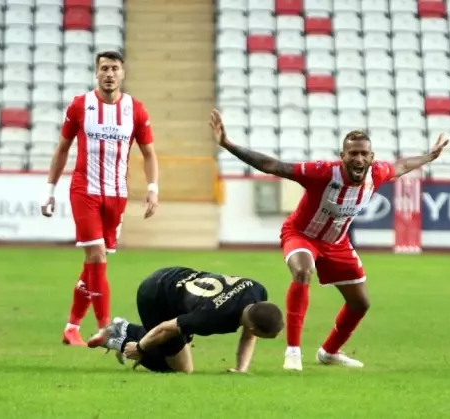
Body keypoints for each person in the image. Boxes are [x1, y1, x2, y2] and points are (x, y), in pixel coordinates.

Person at [210, 109, 449, 371]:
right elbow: (274, 166)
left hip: (337, 242)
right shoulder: (321, 172)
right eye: (352, 153)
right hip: (302, 234)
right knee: (302, 271)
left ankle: (329, 352)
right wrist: (228, 144)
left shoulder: (377, 174)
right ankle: (293, 352)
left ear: (372, 158)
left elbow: (402, 166)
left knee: (360, 303)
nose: (358, 158)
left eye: (363, 154)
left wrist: (429, 156)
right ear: (342, 156)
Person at [40, 51, 160, 346]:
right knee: (97, 257)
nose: (109, 73)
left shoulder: (136, 110)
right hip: (85, 191)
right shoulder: (81, 106)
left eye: (115, 68)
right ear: (96, 73)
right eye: (104, 68)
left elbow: (148, 153)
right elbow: (62, 149)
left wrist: (153, 187)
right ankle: (107, 329)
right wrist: (49, 190)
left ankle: (71, 327)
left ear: (122, 74)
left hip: (116, 195)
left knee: (92, 266)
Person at [87, 266, 284, 373]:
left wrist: (241, 370)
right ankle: (120, 336)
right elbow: (166, 328)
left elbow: (249, 335)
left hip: (176, 276)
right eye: (261, 334)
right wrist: (139, 348)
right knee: (182, 369)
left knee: (175, 346)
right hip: (156, 295)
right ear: (252, 327)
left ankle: (125, 331)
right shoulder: (211, 317)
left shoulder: (257, 292)